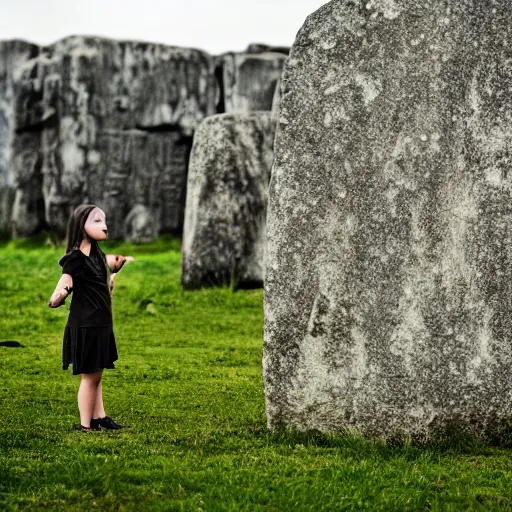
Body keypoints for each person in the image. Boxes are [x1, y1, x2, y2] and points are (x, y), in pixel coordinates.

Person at [48, 204, 135, 432]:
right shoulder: (75, 258)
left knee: (97, 375)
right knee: (89, 378)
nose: (104, 226)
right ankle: (85, 425)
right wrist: (60, 294)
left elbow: (109, 262)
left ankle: (100, 417)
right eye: (97, 221)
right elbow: (66, 281)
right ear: (81, 225)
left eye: (104, 220)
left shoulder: (96, 254)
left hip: (100, 324)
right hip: (86, 325)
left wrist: (119, 262)